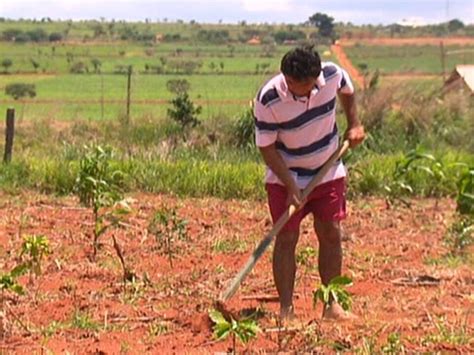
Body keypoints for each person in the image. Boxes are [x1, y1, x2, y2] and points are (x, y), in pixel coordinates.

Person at [253, 45, 365, 321]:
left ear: (315, 79)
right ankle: (286, 310)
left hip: (327, 171)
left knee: (330, 233)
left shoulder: (331, 74)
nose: (293, 88)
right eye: (289, 81)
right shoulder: (268, 99)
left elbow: (347, 90)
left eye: (300, 85)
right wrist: (291, 186)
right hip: (285, 176)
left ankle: (332, 304)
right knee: (287, 237)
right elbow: (266, 149)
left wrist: (354, 123)